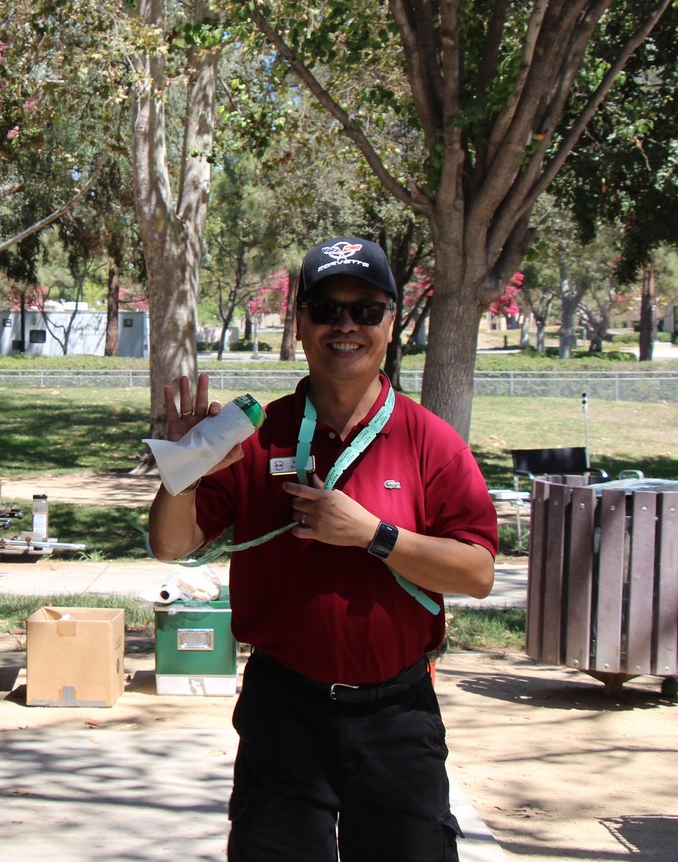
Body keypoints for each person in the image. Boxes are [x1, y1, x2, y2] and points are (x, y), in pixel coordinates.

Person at [148, 236, 498, 862]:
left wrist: (374, 535)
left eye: (366, 309)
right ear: (300, 321)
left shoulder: (430, 441)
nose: (346, 326)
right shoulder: (256, 437)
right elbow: (172, 545)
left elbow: (476, 573)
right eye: (325, 308)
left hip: (397, 712)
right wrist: (186, 465)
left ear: (392, 323)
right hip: (284, 709)